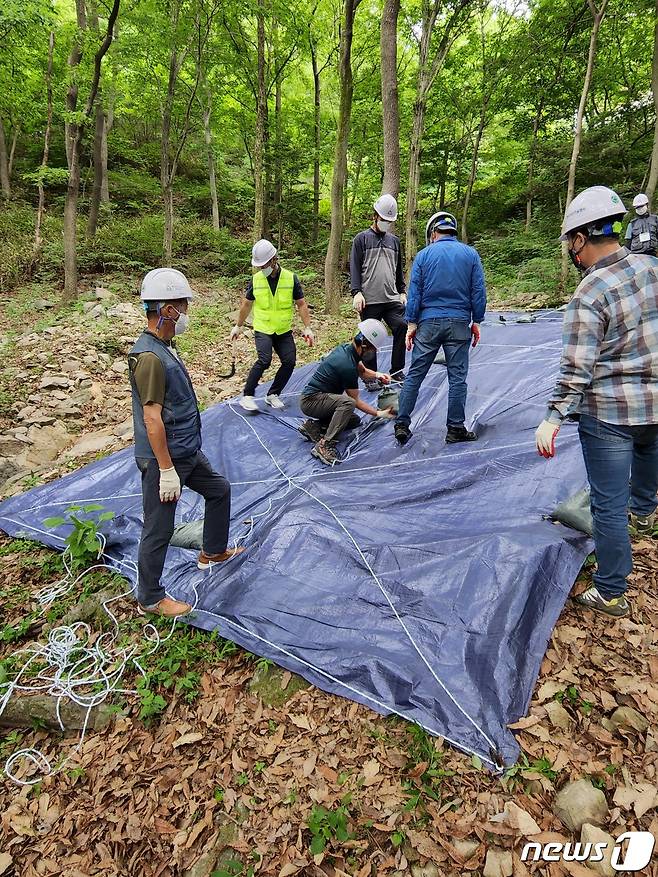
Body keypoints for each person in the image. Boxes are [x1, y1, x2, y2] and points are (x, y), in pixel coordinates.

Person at [536, 185, 658, 618]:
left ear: (581, 239)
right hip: (655, 406)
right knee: (647, 463)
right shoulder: (652, 267)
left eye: (571, 241)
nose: (572, 250)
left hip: (609, 415)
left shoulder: (589, 293)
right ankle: (645, 515)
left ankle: (610, 591)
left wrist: (553, 417)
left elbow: (576, 367)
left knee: (607, 504)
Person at [129, 268, 243, 617]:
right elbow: (151, 418)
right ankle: (149, 597)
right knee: (158, 527)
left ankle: (212, 551)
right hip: (166, 459)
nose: (186, 313)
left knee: (219, 489)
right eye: (182, 304)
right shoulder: (149, 357)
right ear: (166, 309)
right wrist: (164, 470)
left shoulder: (166, 348)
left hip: (186, 450)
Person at [394, 211, 487, 446]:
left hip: (428, 323)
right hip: (458, 323)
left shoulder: (424, 256)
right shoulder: (470, 254)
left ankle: (402, 424)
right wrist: (477, 320)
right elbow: (478, 291)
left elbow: (414, 292)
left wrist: (411, 323)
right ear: (453, 232)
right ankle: (455, 428)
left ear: (434, 233)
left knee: (415, 374)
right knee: (457, 378)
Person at [231, 239, 314, 411]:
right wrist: (238, 326)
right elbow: (246, 305)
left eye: (265, 264)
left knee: (290, 361)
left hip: (283, 329)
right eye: (260, 266)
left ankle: (273, 394)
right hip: (262, 327)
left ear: (274, 259)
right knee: (264, 360)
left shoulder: (291, 278)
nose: (263, 268)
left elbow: (301, 304)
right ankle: (247, 395)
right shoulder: (256, 280)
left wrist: (307, 327)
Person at [299, 319, 396, 465]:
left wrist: (378, 375)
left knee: (353, 420)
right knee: (348, 403)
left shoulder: (348, 350)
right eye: (372, 349)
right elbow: (355, 401)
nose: (374, 352)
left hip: (321, 399)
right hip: (311, 401)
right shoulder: (346, 365)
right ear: (364, 344)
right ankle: (324, 445)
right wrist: (378, 413)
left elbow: (362, 372)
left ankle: (313, 427)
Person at [350, 194, 407, 387]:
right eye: (383, 219)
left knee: (401, 326)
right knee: (369, 338)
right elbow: (355, 268)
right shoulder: (361, 239)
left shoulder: (395, 241)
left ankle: (397, 371)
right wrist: (356, 292)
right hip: (370, 299)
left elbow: (398, 269)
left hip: (391, 298)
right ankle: (370, 376)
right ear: (375, 216)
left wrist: (402, 291)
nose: (386, 223)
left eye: (389, 221)